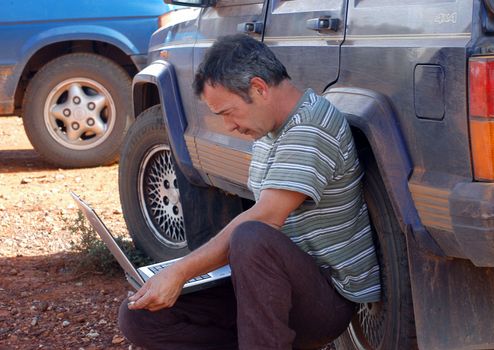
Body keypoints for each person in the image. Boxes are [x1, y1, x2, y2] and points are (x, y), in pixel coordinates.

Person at [118, 34, 381, 350]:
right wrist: (178, 277)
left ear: (259, 88)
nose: (229, 125)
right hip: (269, 288)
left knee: (251, 237)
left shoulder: (310, 128)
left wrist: (180, 272)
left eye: (228, 112)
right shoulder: (270, 130)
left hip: (326, 298)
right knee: (140, 317)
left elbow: (266, 219)